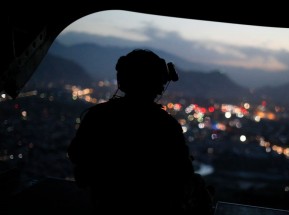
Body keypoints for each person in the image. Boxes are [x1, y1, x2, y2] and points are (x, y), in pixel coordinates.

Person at [67, 49, 213, 214]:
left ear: (122, 81)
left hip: (104, 203)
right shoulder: (165, 125)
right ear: (158, 84)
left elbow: (76, 155)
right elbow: (184, 173)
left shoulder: (96, 115)